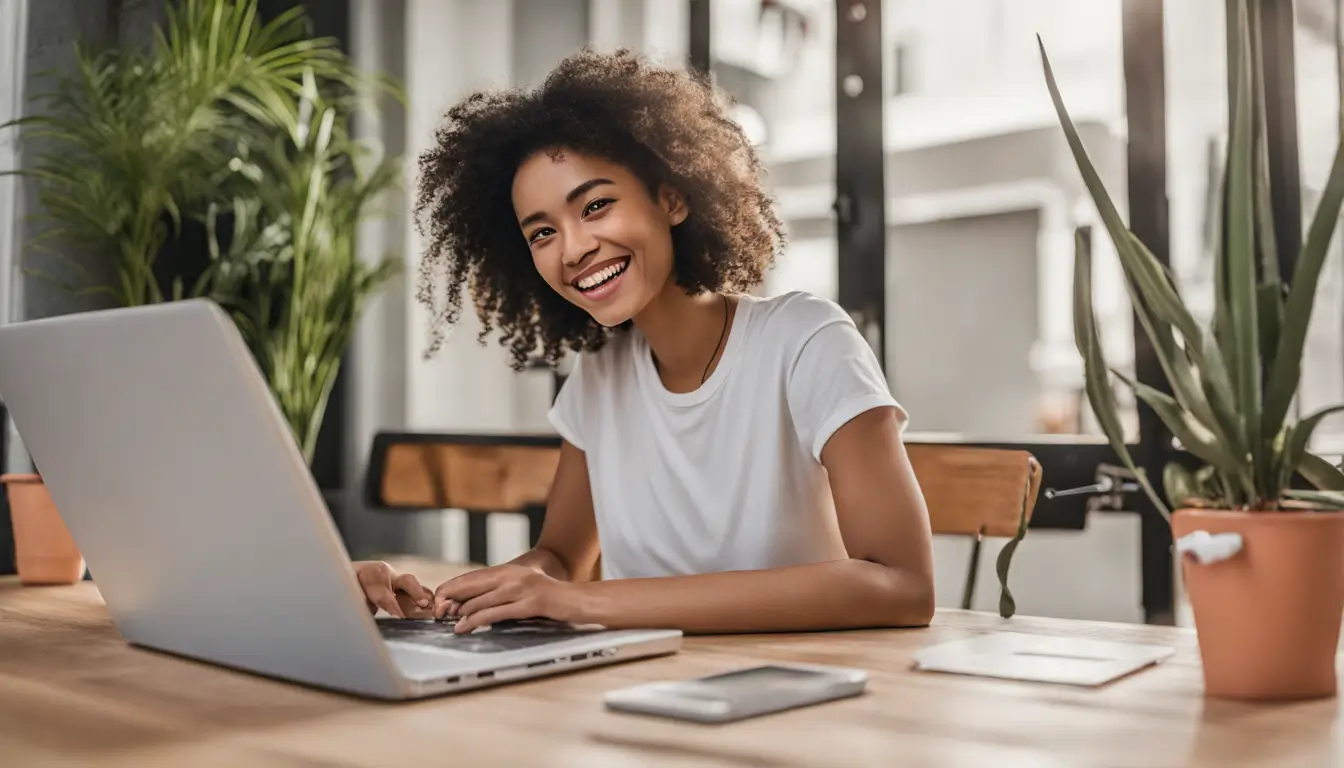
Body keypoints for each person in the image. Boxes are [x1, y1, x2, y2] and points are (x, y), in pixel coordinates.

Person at [354, 48, 935, 635]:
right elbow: (560, 562)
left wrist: (578, 603)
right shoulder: (600, 373)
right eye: (544, 232)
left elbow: (901, 586)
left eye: (596, 205)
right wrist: (452, 599)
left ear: (672, 198)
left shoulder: (808, 342)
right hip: (636, 686)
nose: (573, 248)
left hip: (799, 691)